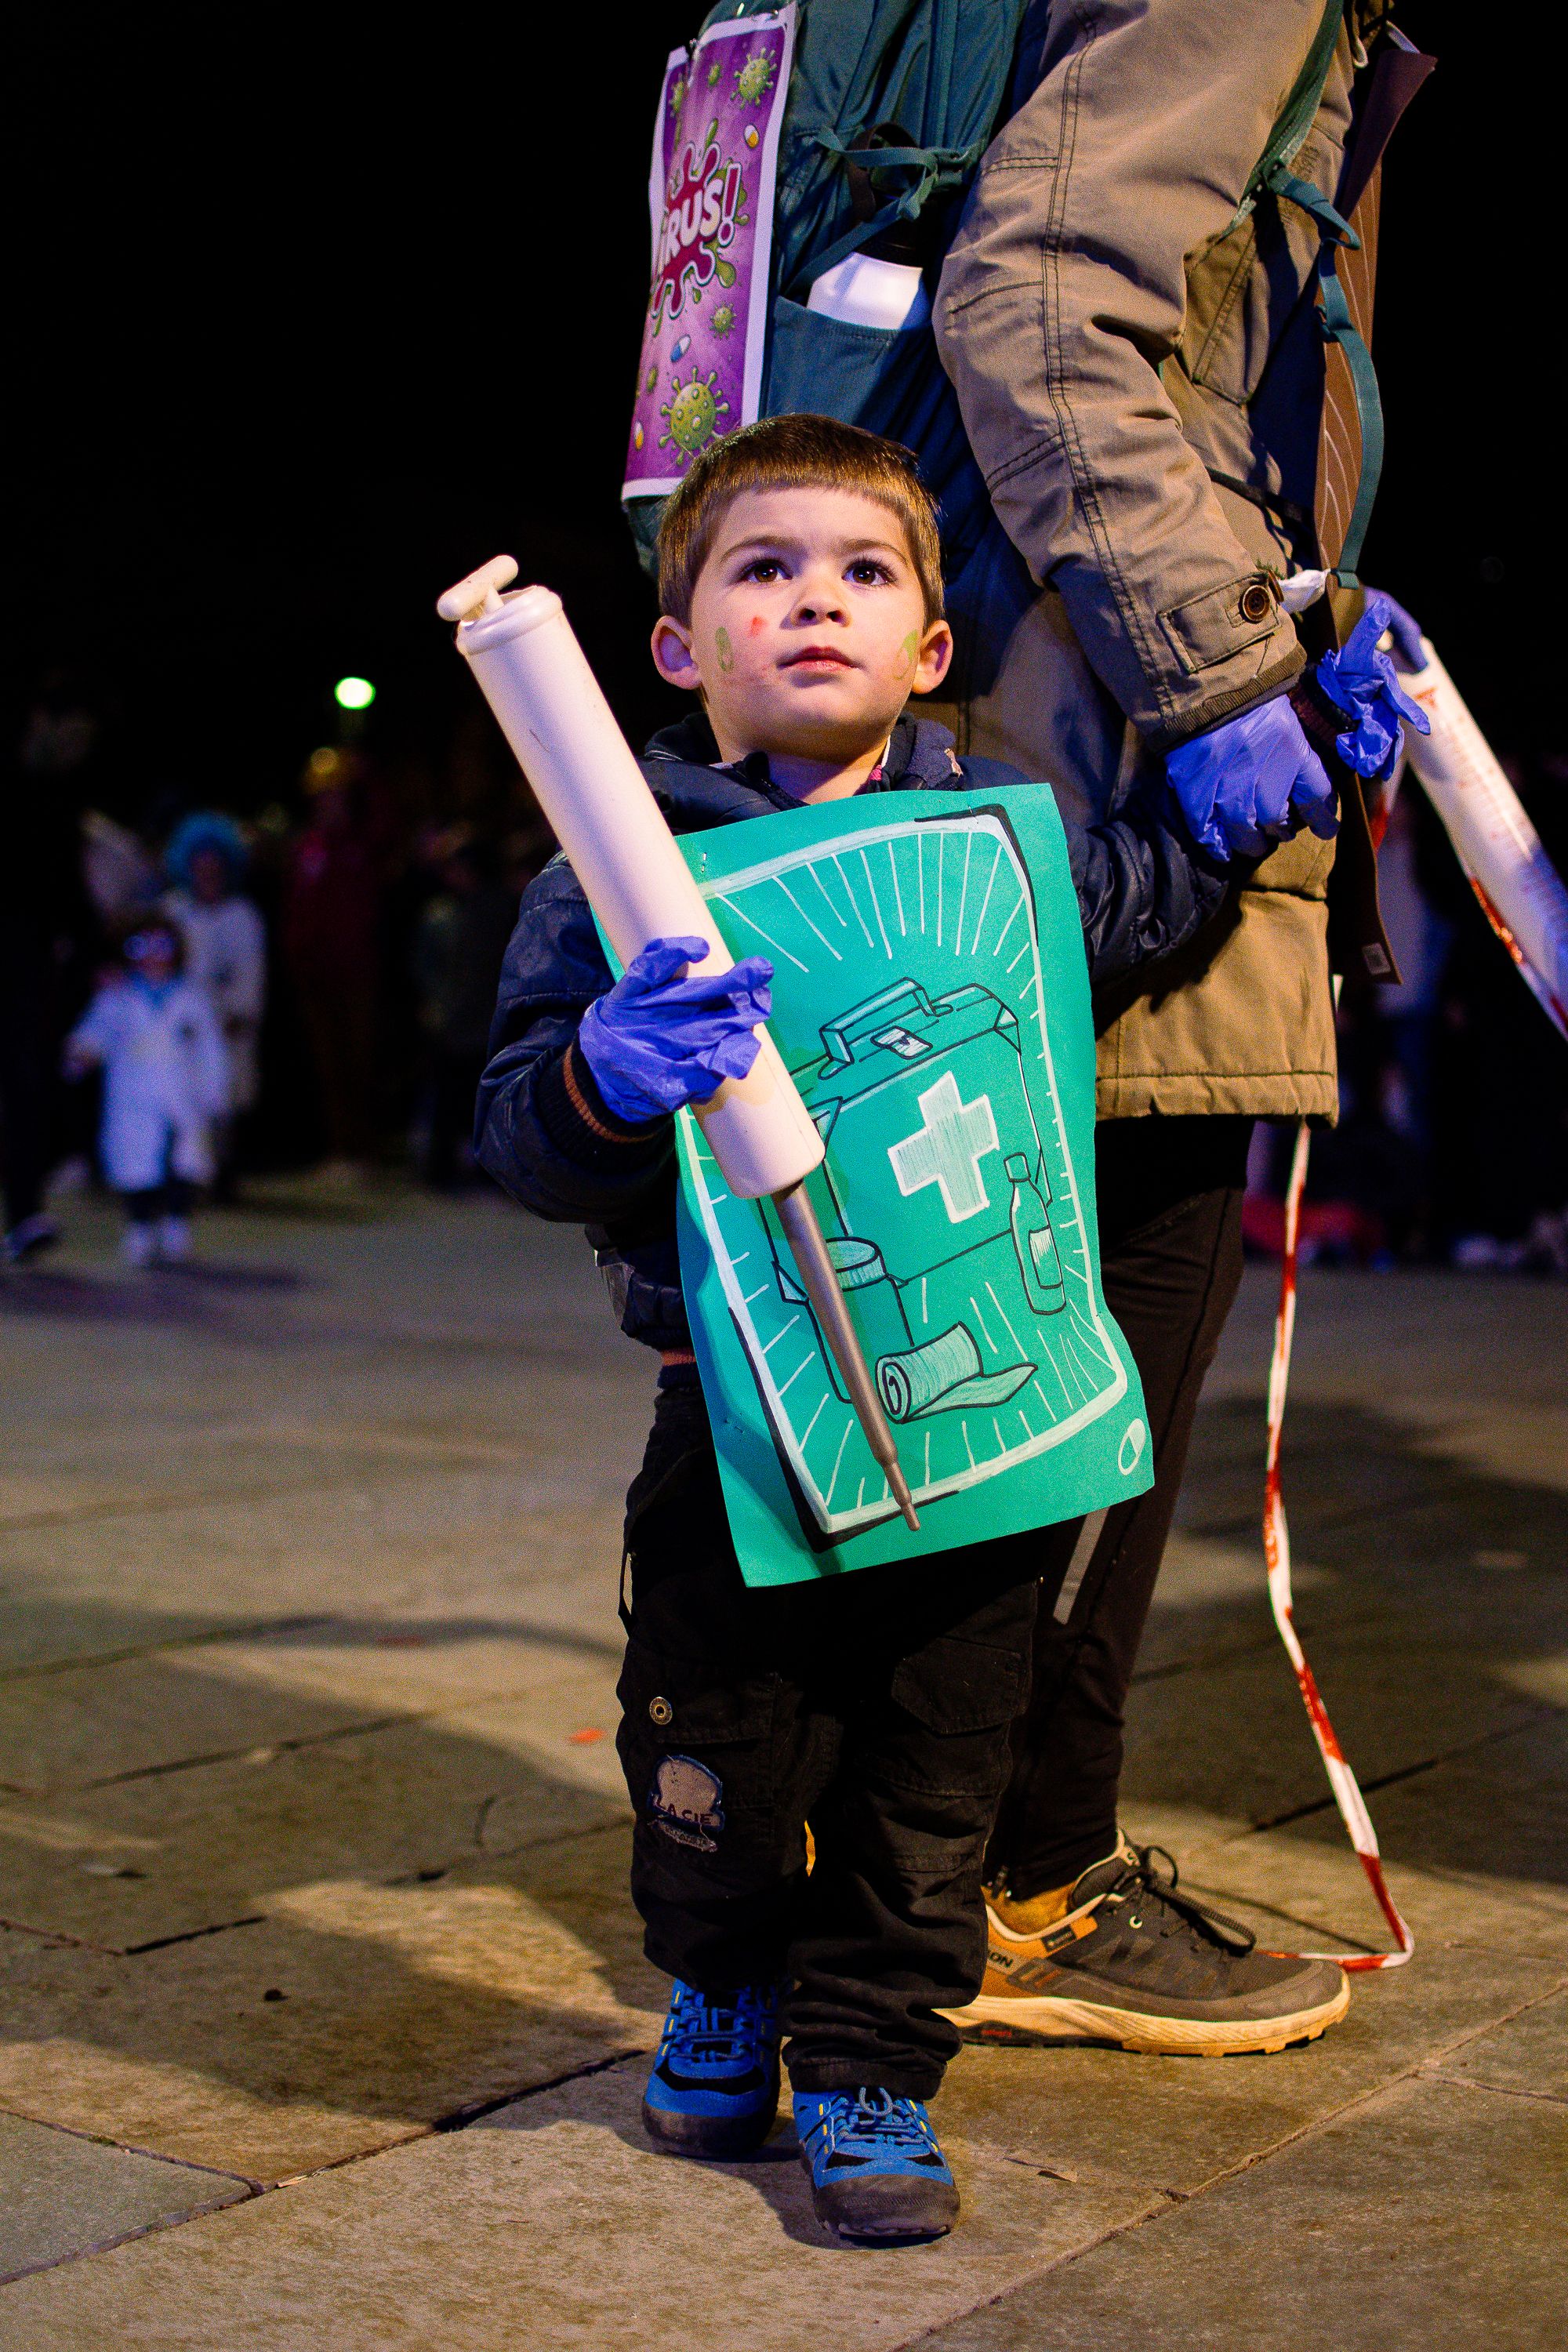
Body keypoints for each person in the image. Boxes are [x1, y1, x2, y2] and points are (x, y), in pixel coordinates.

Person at [475, 416, 1346, 2243]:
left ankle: (871, 2061)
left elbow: (1144, 901)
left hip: (978, 1435)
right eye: (762, 568)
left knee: (936, 1766)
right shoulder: (616, 877)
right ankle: (725, 1984)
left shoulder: (993, 845)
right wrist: (601, 1077)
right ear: (677, 643)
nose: (815, 599)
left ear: (928, 646)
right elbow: (517, 1139)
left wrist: (1287, 748)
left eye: (862, 570)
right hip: (735, 1429)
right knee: (713, 1745)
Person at [925, 0, 1428, 2048]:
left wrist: (1306, 620)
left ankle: (925, 1869)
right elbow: (1041, 295)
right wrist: (1223, 668)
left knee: (1017, 1354)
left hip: (1062, 725)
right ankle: (1007, 1882)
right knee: (1091, 1366)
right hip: (1111, 762)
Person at [64, 918, 229, 1265]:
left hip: (182, 1094)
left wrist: (214, 1094)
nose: (153, 956)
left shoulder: (193, 997)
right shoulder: (117, 997)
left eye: (162, 946)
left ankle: (177, 1226)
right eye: (141, 947)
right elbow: (93, 1034)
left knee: (184, 1163)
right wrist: (82, 1052)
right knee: (137, 1164)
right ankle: (140, 1228)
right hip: (133, 1096)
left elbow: (211, 1051)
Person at [163, 813, 267, 1189]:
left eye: (214, 867)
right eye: (200, 866)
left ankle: (225, 1171)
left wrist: (236, 1015)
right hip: (181, 1025)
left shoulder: (243, 915)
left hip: (227, 1024)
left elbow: (251, 972)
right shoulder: (173, 912)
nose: (207, 874)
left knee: (225, 1098)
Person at [411, 829, 517, 1187]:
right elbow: (426, 964)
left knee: (482, 1097)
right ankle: (442, 1170)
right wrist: (437, 1005)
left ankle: (486, 1172)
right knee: (448, 1097)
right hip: (453, 1022)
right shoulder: (442, 913)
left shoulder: (496, 910)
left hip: (484, 1021)